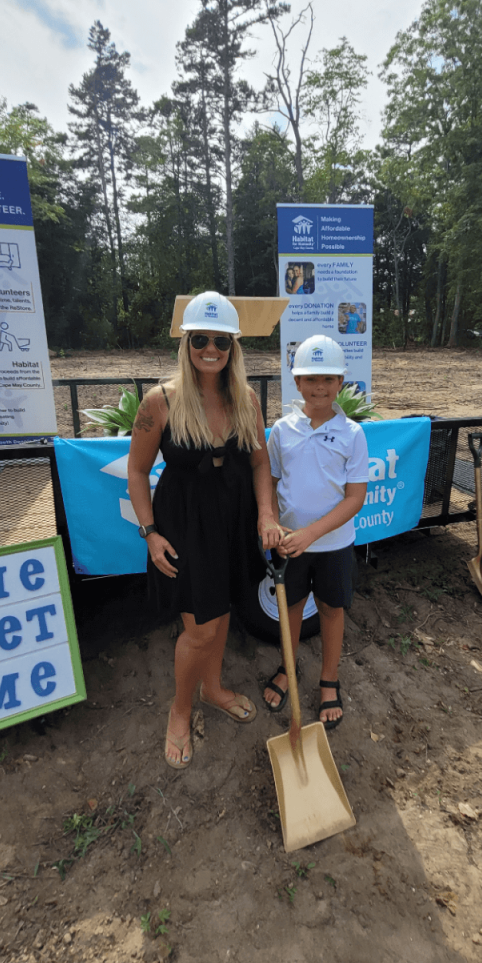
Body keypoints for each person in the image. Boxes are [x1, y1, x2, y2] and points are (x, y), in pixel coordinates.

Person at [128, 292, 281, 769]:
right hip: (184, 524)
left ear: (233, 346)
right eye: (200, 339)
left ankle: (213, 689)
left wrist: (265, 514)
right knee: (200, 627)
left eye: (220, 340)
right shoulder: (161, 401)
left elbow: (259, 462)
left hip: (233, 519)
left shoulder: (247, 399)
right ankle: (179, 711)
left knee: (225, 607)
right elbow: (137, 472)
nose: (210, 349)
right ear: (186, 342)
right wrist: (150, 532)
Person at [263, 335, 368, 729]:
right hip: (290, 545)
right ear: (297, 382)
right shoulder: (282, 430)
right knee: (290, 607)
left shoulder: (352, 434)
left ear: (340, 383)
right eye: (310, 379)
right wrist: (272, 522)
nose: (319, 387)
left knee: (331, 609)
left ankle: (329, 680)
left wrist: (310, 534)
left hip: (334, 546)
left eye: (327, 379)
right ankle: (287, 669)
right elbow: (270, 482)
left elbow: (354, 498)